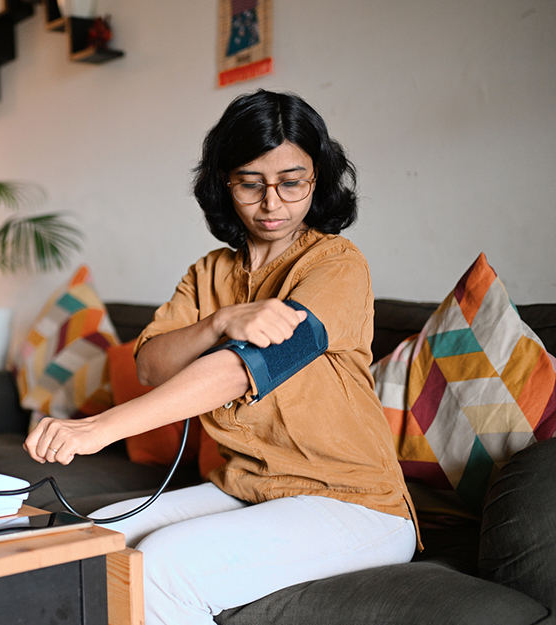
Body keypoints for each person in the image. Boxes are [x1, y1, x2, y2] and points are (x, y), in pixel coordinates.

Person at [23, 89, 419, 624]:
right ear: (224, 183)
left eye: (291, 182)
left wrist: (96, 430)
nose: (272, 203)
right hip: (248, 487)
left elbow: (245, 369)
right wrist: (218, 321)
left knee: (160, 567)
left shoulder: (338, 265)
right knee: (95, 538)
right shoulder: (209, 273)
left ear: (318, 179)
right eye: (251, 183)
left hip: (354, 503)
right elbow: (150, 366)